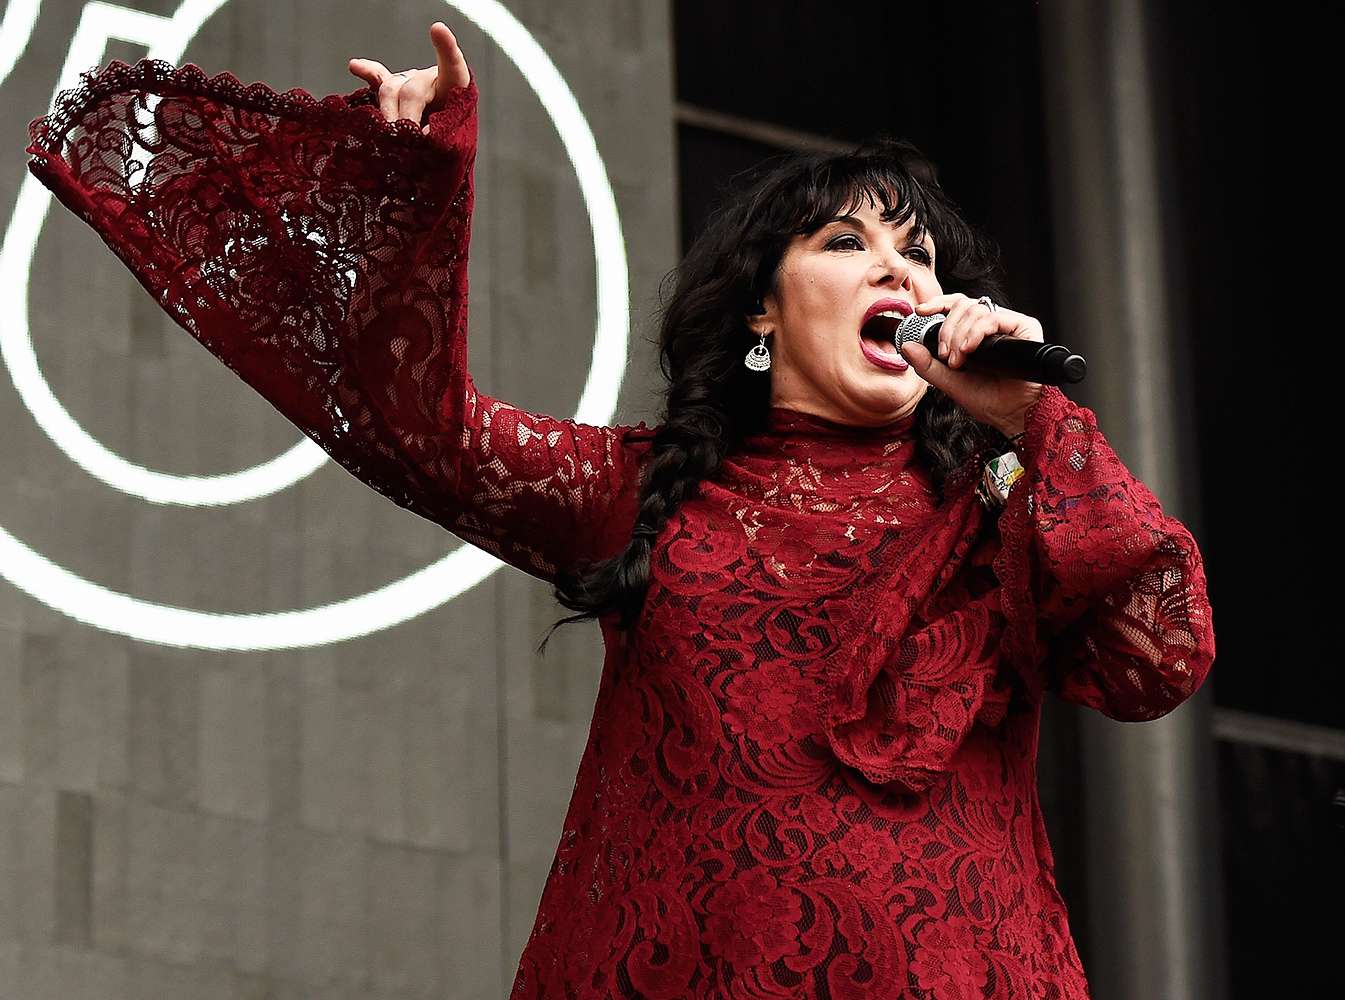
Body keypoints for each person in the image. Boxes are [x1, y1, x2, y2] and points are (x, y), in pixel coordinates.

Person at [27, 22, 1215, 999]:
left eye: (920, 254)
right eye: (848, 242)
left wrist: (1031, 427)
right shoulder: (652, 491)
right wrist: (424, 169)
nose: (898, 273)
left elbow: (1157, 657)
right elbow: (417, 426)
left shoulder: (1002, 507)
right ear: (761, 313)